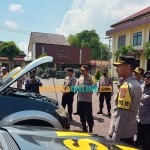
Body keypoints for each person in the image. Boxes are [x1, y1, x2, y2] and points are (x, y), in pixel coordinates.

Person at [109, 56, 142, 146]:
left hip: (121, 136)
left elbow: (122, 116)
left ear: (127, 67)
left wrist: (115, 139)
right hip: (128, 133)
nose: (116, 70)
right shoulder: (136, 84)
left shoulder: (126, 87)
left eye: (119, 66)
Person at [76, 65, 96, 133]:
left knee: (89, 115)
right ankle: (84, 126)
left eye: (83, 71)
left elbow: (94, 87)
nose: (82, 72)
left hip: (87, 100)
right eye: (81, 70)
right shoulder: (80, 77)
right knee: (81, 114)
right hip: (80, 99)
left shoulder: (92, 78)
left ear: (88, 71)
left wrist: (84, 87)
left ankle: (90, 128)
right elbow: (76, 86)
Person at [137, 71, 150, 150]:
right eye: (145, 77)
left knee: (147, 139)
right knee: (140, 136)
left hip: (148, 120)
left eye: (148, 77)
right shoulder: (141, 86)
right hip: (139, 118)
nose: (146, 79)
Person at [133, 67, 145, 147]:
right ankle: (138, 139)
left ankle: (140, 141)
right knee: (136, 126)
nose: (135, 75)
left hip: (141, 110)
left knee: (141, 127)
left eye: (137, 74)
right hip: (134, 110)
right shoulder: (132, 82)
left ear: (141, 75)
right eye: (134, 73)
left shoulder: (142, 85)